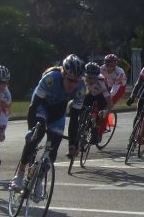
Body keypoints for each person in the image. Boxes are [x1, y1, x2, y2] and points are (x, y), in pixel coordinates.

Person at [8, 55, 87, 190]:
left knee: (54, 147)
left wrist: (73, 144)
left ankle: (39, 180)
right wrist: (31, 130)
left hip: (58, 111)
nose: (73, 85)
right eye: (70, 80)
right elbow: (33, 107)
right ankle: (20, 174)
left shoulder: (80, 89)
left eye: (76, 81)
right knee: (36, 135)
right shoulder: (50, 79)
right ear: (63, 74)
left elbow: (74, 118)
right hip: (42, 106)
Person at [82, 61, 111, 144]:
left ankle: (96, 128)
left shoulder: (101, 82)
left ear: (97, 77)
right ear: (85, 75)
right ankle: (82, 125)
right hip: (89, 93)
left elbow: (110, 103)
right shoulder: (81, 79)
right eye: (89, 77)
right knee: (81, 108)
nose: (91, 80)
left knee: (101, 112)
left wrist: (105, 111)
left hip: (101, 95)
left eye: (94, 78)